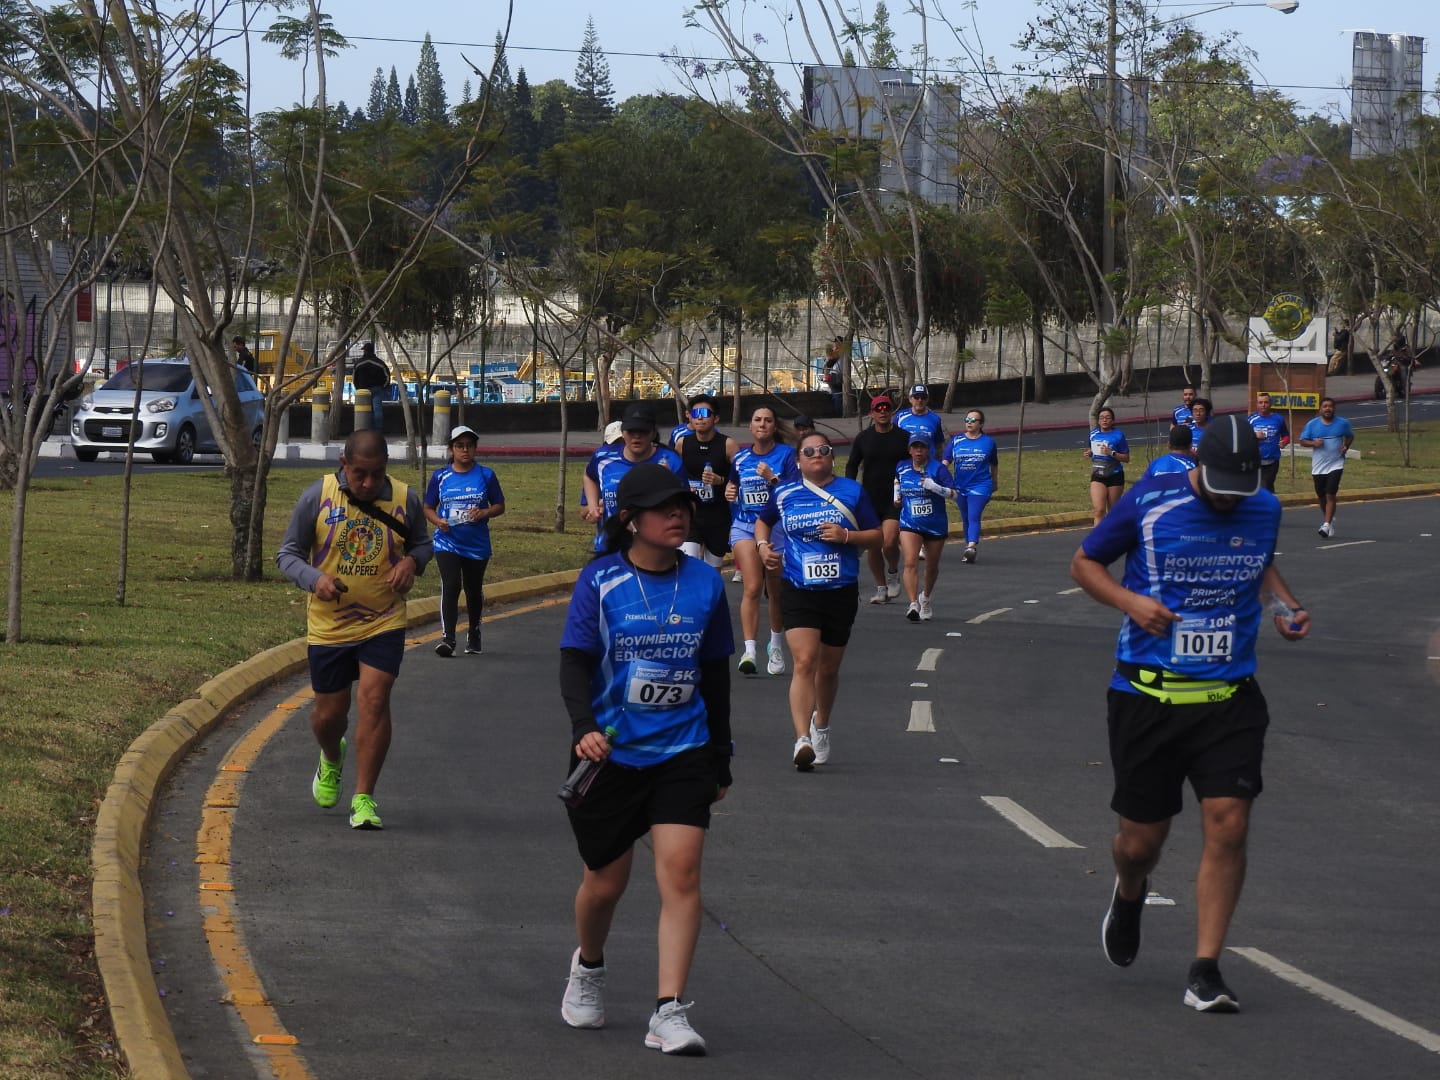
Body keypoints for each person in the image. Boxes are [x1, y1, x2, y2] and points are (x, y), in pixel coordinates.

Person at [1071, 414, 1309, 1014]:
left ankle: (1206, 969)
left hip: (1229, 697)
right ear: (1199, 465)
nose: (1232, 501)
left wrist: (1285, 607)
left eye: (1241, 490)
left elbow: (1259, 562)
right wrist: (1131, 602)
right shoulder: (1152, 501)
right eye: (1222, 488)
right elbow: (1085, 564)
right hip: (1147, 696)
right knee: (1139, 843)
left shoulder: (1265, 508)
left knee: (1230, 823)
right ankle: (1129, 890)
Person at [558, 463, 734, 1056]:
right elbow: (575, 660)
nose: (678, 514)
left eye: (682, 504)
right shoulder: (601, 579)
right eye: (663, 507)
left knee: (681, 874)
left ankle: (669, 1011)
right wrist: (583, 728)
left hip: (684, 748)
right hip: (609, 753)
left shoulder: (706, 582)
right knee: (605, 884)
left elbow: (714, 674)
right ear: (631, 519)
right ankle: (588, 965)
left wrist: (721, 755)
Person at [275, 429, 433, 830]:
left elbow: (423, 544)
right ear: (344, 463)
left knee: (375, 699)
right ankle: (332, 755)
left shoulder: (405, 499)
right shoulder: (317, 496)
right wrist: (315, 580)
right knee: (329, 717)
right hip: (330, 625)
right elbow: (288, 554)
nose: (367, 483)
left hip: (383, 619)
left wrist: (411, 563)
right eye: (359, 473)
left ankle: (364, 798)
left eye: (376, 474)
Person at [757, 432, 882, 771]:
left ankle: (821, 724)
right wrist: (762, 547)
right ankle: (802, 738)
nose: (816, 455)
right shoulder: (784, 492)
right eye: (809, 451)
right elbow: (762, 522)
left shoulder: (852, 492)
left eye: (823, 450)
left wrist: (847, 535)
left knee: (827, 668)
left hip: (840, 589)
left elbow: (878, 536)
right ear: (798, 460)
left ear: (832, 457)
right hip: (798, 587)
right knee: (804, 661)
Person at [725, 406, 799, 677]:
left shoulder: (786, 455)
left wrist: (773, 478)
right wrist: (729, 491)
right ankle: (749, 651)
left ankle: (775, 645)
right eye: (757, 420)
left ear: (774, 426)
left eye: (768, 420)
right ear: (751, 426)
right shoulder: (740, 457)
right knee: (753, 586)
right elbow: (733, 488)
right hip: (745, 526)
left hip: (776, 530)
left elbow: (795, 494)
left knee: (775, 591)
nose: (762, 424)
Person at [423, 425, 505, 657]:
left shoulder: (486, 475)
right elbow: (428, 507)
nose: (465, 450)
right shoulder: (440, 477)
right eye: (459, 446)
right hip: (447, 540)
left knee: (473, 588)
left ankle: (474, 632)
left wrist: (484, 512)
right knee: (451, 585)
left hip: (476, 543)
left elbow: (499, 505)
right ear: (451, 449)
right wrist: (438, 521)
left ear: (475, 449)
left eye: (469, 446)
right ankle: (448, 638)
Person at [581, 404, 684, 555]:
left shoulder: (671, 461)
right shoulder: (603, 457)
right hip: (608, 547)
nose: (637, 436)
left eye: (643, 431)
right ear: (623, 433)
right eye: (631, 431)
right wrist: (593, 506)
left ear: (653, 433)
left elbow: (687, 506)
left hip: (653, 550)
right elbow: (589, 476)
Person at [844, 393, 909, 604]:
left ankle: (893, 573)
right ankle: (881, 588)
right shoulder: (863, 438)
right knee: (872, 545)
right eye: (878, 410)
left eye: (886, 409)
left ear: (891, 412)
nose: (883, 412)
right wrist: (849, 490)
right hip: (869, 499)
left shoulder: (903, 437)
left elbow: (913, 464)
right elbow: (852, 465)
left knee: (889, 542)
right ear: (871, 413)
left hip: (894, 498)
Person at [895, 433, 955, 621]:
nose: (919, 451)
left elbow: (955, 494)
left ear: (928, 449)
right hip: (909, 522)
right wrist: (897, 496)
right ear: (909, 450)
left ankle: (925, 597)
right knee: (910, 562)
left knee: (931, 565)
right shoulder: (902, 466)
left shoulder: (938, 469)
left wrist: (934, 487)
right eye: (915, 447)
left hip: (935, 524)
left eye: (922, 447)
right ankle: (913, 604)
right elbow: (897, 481)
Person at [674, 395, 738, 570]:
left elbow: (741, 479)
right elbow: (675, 475)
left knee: (713, 570)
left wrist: (720, 480)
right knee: (688, 563)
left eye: (705, 413)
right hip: (692, 514)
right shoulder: (682, 444)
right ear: (690, 417)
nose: (700, 418)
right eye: (696, 414)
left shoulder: (728, 445)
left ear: (715, 418)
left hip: (718, 515)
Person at [941, 408, 999, 563]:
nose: (969, 423)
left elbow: (994, 464)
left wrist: (995, 482)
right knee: (966, 517)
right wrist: (941, 478)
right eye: (967, 420)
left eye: (973, 420)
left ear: (981, 424)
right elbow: (945, 462)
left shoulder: (988, 442)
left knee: (974, 515)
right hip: (960, 486)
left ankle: (972, 546)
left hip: (981, 485)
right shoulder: (956, 440)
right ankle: (968, 549)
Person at [1298, 397, 1354, 538]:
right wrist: (1314, 443)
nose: (1327, 408)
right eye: (1325, 406)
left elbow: (1350, 436)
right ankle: (1328, 520)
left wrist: (1346, 446)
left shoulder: (1342, 423)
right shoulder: (1312, 425)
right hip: (1318, 466)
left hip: (1336, 463)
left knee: (1330, 493)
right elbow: (1302, 441)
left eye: (1330, 406)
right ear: (1320, 409)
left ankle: (1326, 524)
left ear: (1334, 408)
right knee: (1321, 496)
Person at [1084, 407, 1130, 525]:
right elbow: (1092, 450)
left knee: (1113, 512)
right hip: (1098, 475)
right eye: (1102, 418)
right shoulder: (1093, 434)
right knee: (1099, 510)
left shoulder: (1118, 436)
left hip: (1115, 475)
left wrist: (1112, 453)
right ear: (1098, 421)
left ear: (1113, 420)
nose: (1104, 420)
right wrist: (1089, 453)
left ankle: (1114, 535)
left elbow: (1126, 458)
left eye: (1108, 417)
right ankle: (1098, 537)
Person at [1247, 393, 1289, 493]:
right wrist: (1254, 435)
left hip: (1272, 461)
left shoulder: (1278, 419)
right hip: (1256, 460)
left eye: (1266, 402)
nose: (1263, 405)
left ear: (1270, 404)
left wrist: (1284, 442)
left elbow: (1286, 435)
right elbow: (1243, 436)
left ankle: (1268, 500)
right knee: (1257, 488)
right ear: (1257, 404)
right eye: (1260, 402)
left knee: (1266, 486)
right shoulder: (1251, 419)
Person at [351, 341, 390, 432]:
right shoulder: (380, 363)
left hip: (363, 391)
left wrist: (358, 389)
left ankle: (365, 429)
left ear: (364, 351)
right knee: (377, 410)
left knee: (365, 411)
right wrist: (383, 386)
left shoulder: (359, 363)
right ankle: (377, 430)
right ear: (373, 351)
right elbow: (387, 376)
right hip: (377, 388)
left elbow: (354, 378)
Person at [894, 383, 946, 448]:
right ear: (910, 399)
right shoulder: (899, 417)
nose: (920, 400)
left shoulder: (935, 419)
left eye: (923, 397)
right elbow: (893, 439)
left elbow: (939, 444)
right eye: (916, 397)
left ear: (927, 399)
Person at [822, 337, 846, 416]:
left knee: (837, 395)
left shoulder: (840, 351)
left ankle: (838, 412)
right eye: (836, 342)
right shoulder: (838, 351)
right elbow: (827, 365)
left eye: (837, 342)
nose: (836, 344)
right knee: (837, 395)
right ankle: (838, 412)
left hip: (836, 375)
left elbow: (828, 364)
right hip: (835, 375)